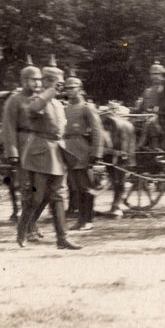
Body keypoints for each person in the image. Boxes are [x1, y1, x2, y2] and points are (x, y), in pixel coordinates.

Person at [15, 56, 82, 250]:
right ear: (46, 82)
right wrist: (51, 91)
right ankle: (23, 229)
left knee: (59, 196)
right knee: (36, 197)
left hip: (57, 153)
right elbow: (33, 109)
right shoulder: (38, 100)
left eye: (60, 82)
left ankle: (62, 238)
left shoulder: (58, 105)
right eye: (56, 82)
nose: (60, 86)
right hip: (40, 154)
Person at [1, 56, 45, 242]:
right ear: (24, 81)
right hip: (24, 146)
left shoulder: (42, 99)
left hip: (42, 147)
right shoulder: (15, 100)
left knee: (43, 191)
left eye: (39, 80)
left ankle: (30, 223)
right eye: (33, 79)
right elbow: (8, 126)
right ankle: (28, 227)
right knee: (28, 190)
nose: (37, 83)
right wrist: (12, 152)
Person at [63, 74, 104, 231]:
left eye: (73, 88)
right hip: (68, 151)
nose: (70, 91)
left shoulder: (87, 108)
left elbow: (96, 131)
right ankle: (81, 219)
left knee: (86, 187)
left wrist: (96, 153)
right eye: (67, 88)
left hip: (82, 150)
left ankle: (88, 220)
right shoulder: (65, 108)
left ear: (80, 89)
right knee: (75, 188)